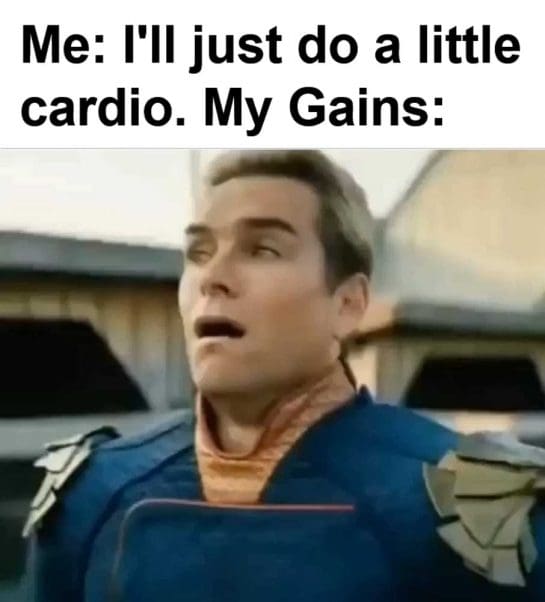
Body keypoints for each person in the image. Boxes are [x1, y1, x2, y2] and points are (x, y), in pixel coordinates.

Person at [23, 150, 545, 601]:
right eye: (199, 253)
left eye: (263, 249)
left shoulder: (467, 510)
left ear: (347, 304)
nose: (213, 278)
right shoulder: (95, 491)